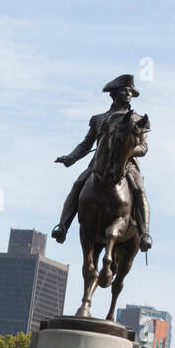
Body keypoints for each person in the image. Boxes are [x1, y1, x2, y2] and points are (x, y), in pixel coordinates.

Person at [51, 74, 152, 251]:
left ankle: (144, 234)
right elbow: (86, 145)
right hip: (98, 165)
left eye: (130, 91)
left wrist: (129, 150)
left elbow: (143, 147)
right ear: (113, 94)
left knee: (138, 190)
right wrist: (70, 158)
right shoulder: (98, 119)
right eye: (124, 90)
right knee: (78, 184)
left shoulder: (138, 119)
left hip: (126, 165)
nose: (128, 94)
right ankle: (62, 227)